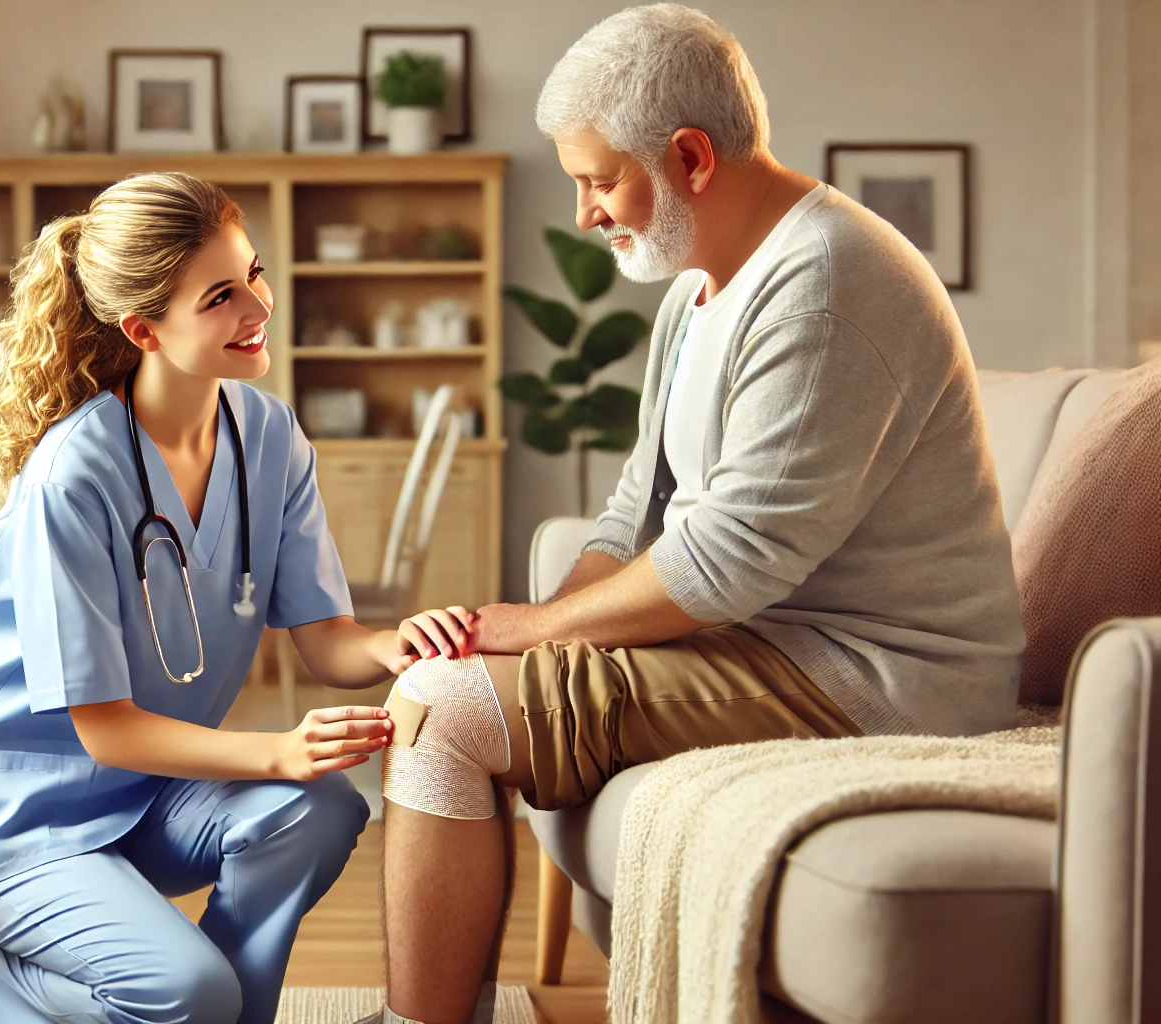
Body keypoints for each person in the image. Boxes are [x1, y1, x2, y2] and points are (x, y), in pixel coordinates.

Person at [355, 6, 1025, 1023]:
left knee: (445, 710)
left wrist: (525, 633)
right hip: (768, 645)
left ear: (690, 158)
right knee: (456, 682)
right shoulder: (702, 289)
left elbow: (729, 562)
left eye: (598, 179)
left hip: (876, 677)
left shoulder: (823, 284)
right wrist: (521, 636)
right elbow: (641, 505)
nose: (584, 213)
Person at [0, 171, 468, 1024]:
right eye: (221, 295)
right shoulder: (73, 475)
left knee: (318, 808)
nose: (258, 307)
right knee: (186, 988)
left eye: (253, 274)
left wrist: (399, 643)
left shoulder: (270, 436)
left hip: (143, 798)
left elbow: (327, 641)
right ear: (145, 329)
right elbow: (104, 727)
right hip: (15, 819)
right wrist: (278, 749)